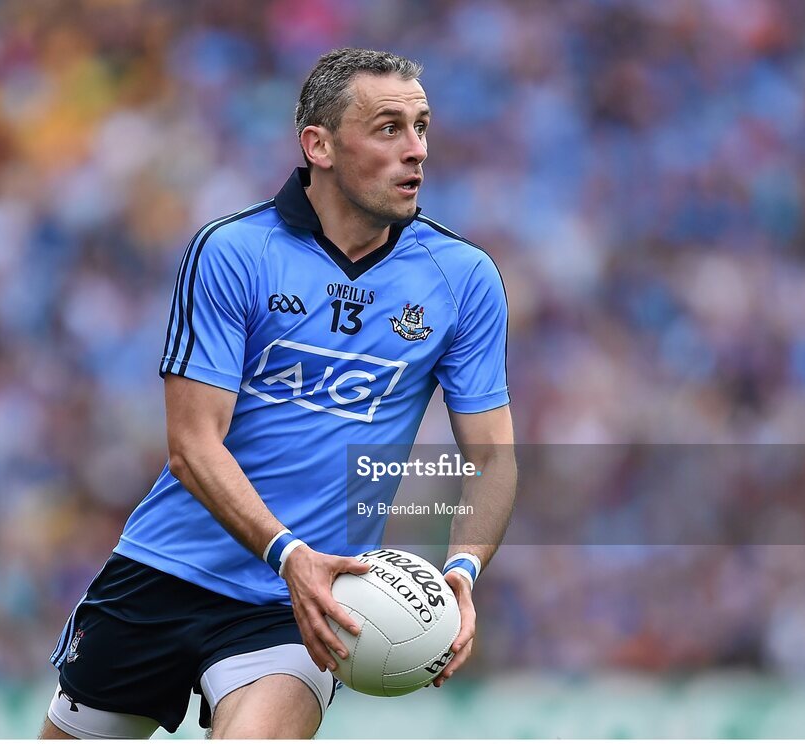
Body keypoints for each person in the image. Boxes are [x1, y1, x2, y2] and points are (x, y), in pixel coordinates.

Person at [40, 47, 516, 740]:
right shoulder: (235, 251)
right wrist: (289, 553)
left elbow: (494, 457)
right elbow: (191, 445)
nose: (415, 151)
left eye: (422, 126)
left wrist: (463, 573)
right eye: (388, 128)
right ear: (318, 145)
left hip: (306, 601)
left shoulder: (463, 278)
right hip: (167, 569)